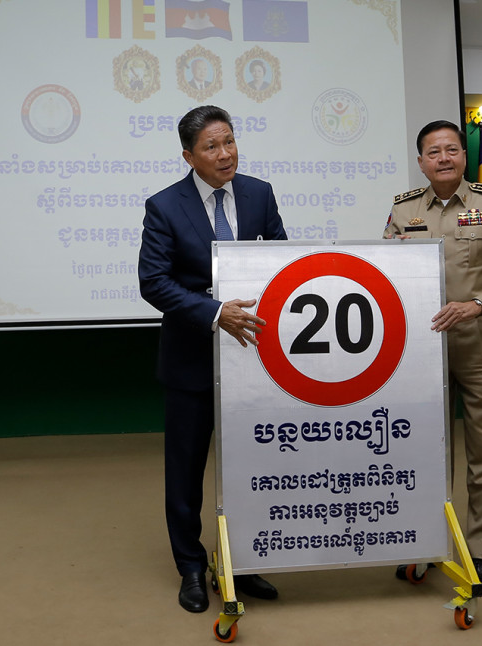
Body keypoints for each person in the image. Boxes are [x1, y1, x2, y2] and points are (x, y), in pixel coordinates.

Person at [139, 105, 287, 613]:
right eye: (211, 147)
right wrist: (215, 311)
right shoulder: (164, 206)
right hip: (191, 358)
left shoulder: (259, 194)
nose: (225, 154)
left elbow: (282, 259)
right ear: (189, 156)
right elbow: (153, 282)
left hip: (254, 356)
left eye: (229, 142)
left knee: (249, 463)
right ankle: (191, 566)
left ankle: (240, 561)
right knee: (185, 472)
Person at [382, 120, 482, 597]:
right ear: (421, 161)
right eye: (434, 152)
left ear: (464, 157)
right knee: (426, 449)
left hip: (480, 344)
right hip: (422, 348)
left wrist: (479, 303)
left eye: (452, 149)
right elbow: (384, 269)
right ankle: (426, 542)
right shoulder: (403, 209)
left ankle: (480, 550)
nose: (444, 158)